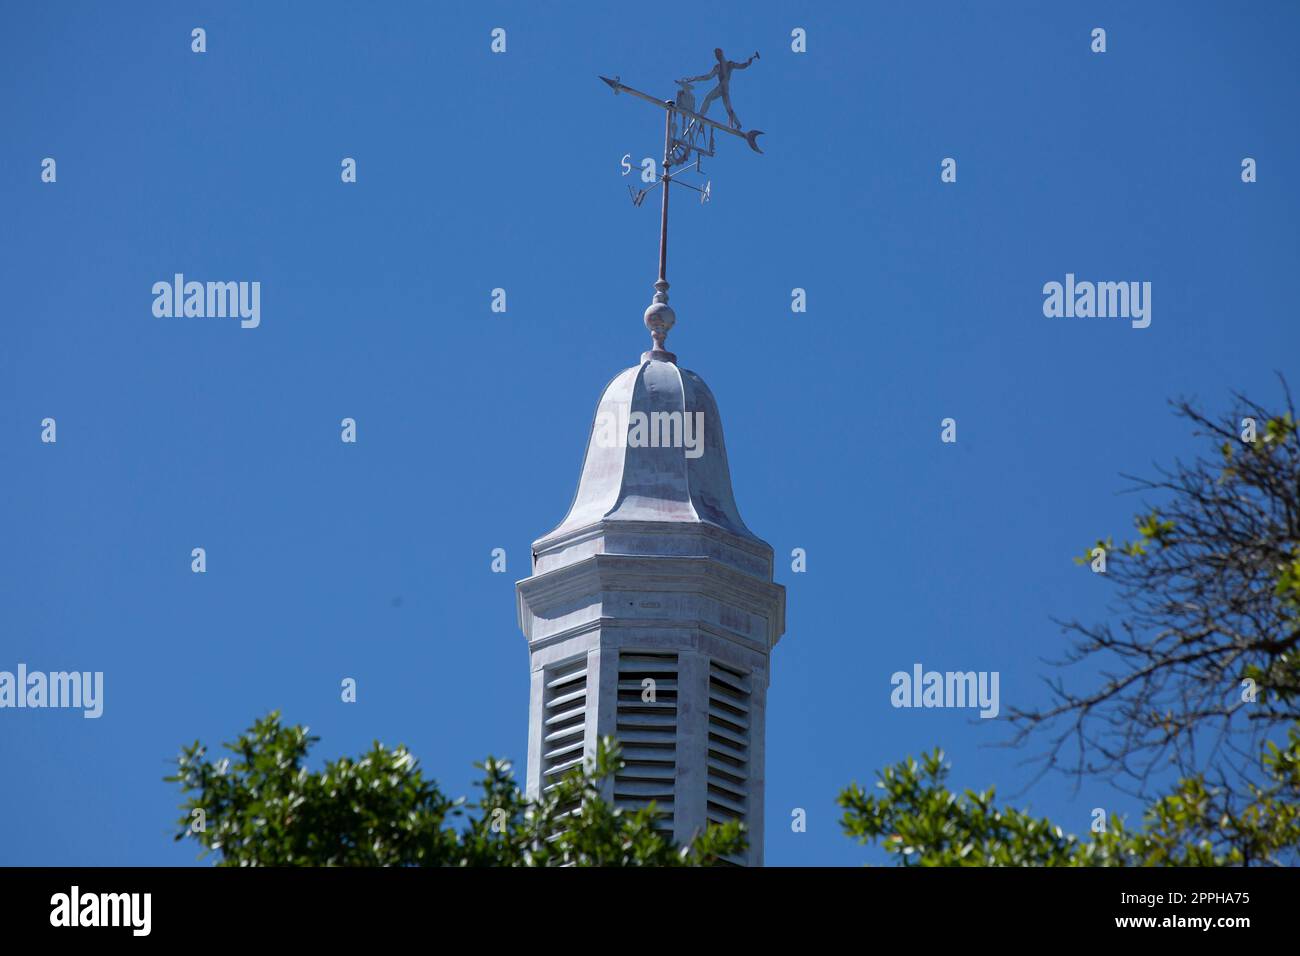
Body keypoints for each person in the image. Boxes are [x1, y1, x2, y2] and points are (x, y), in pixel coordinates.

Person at [680, 48, 758, 130]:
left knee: (715, 101)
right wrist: (694, 78)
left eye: (717, 54)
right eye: (716, 55)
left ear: (721, 54)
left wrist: (748, 62)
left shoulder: (729, 64)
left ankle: (702, 114)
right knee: (724, 106)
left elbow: (741, 66)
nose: (717, 57)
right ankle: (737, 124)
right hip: (722, 87)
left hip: (723, 87)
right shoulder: (718, 67)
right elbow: (708, 76)